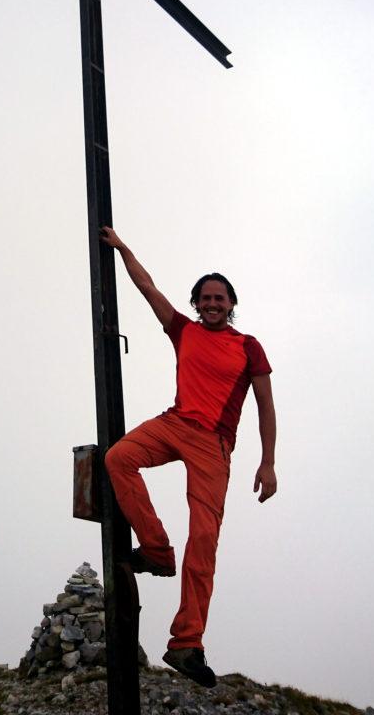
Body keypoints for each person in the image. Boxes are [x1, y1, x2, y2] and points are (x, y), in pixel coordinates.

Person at [100, 226, 277, 688]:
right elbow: (147, 288)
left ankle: (186, 642)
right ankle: (156, 549)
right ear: (196, 303)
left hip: (214, 446)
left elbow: (265, 405)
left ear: (231, 305)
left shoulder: (248, 346)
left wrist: (268, 461)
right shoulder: (183, 330)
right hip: (175, 423)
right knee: (119, 458)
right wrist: (124, 250)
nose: (213, 304)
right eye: (206, 298)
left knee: (203, 539)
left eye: (221, 298)